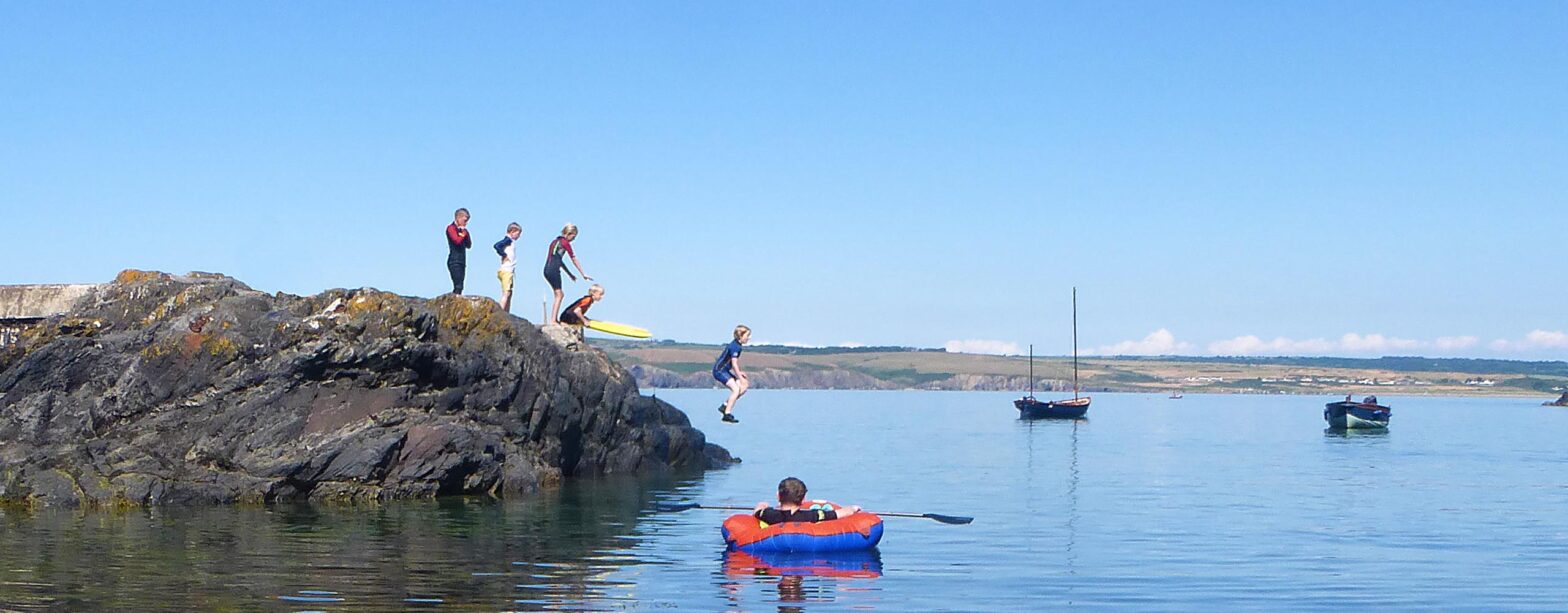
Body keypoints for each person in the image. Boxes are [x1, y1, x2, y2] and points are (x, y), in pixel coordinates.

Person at [751, 477, 859, 524]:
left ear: (778, 496)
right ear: (803, 500)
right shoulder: (812, 516)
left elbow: (757, 510)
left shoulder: (769, 515)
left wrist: (763, 504)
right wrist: (854, 508)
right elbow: (840, 513)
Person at [543, 223, 592, 325]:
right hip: (553, 270)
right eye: (574, 236)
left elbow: (558, 260)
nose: (574, 239)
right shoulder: (565, 243)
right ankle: (553, 320)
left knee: (558, 294)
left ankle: (554, 319)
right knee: (559, 294)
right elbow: (573, 258)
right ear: (569, 233)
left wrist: (569, 274)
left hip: (547, 269)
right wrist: (583, 274)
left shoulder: (555, 242)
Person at [714, 325, 751, 423]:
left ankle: (725, 406)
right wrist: (740, 377)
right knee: (736, 389)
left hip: (725, 371)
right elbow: (734, 364)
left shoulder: (738, 346)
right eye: (747, 335)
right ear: (740, 336)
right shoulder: (735, 347)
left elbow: (733, 364)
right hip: (719, 371)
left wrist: (740, 374)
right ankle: (727, 414)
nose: (749, 338)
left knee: (744, 387)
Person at [493, 223, 522, 312]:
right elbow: (496, 246)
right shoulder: (508, 240)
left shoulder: (510, 241)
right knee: (506, 293)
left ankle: (506, 312)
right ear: (512, 232)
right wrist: (504, 255)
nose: (519, 236)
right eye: (518, 234)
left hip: (509, 271)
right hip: (506, 270)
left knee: (509, 292)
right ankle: (500, 312)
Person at [445, 208, 472, 295]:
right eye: (465, 220)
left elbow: (469, 245)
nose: (466, 223)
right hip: (454, 260)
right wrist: (463, 233)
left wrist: (465, 233)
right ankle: (453, 303)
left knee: (461, 286)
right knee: (458, 285)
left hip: (462, 261)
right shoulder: (451, 228)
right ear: (458, 218)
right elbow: (457, 240)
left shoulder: (463, 231)